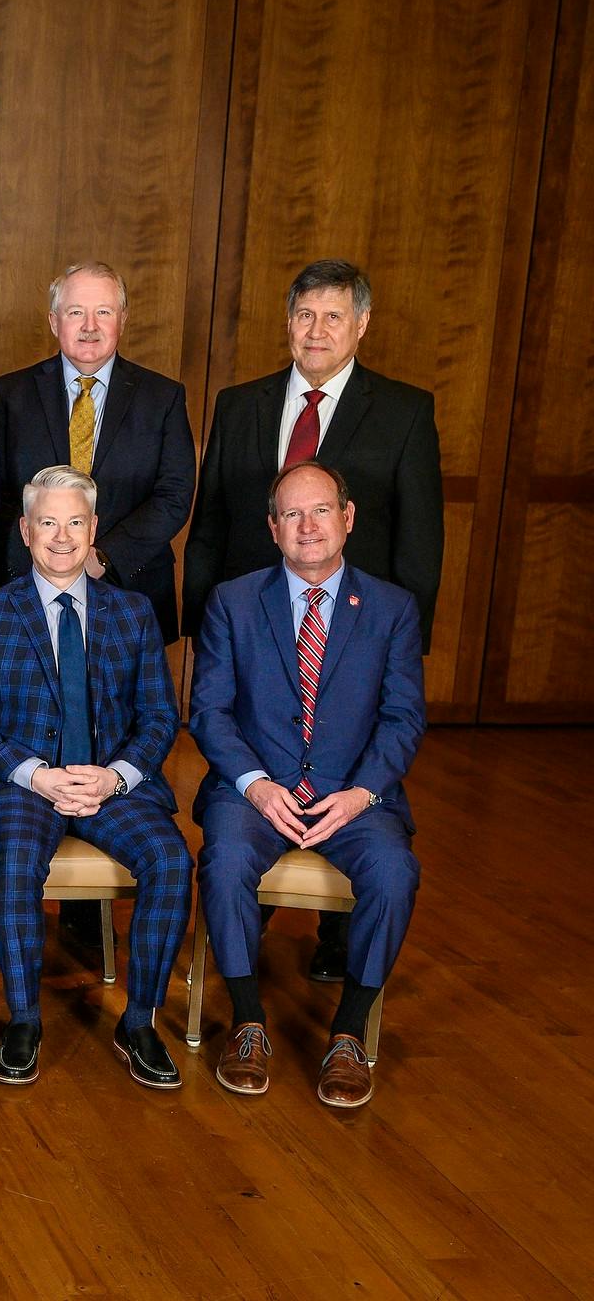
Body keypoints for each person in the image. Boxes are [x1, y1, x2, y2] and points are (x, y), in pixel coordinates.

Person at [183, 259, 441, 982]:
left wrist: (404, 649)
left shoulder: (403, 410)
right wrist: (202, 624)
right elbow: (209, 525)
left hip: (357, 634)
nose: (317, 329)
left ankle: (337, 933)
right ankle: (247, 918)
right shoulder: (242, 405)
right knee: (246, 804)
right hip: (252, 628)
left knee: (345, 778)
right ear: (287, 322)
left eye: (334, 316)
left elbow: (420, 544)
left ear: (361, 324)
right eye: (305, 315)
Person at [189, 460, 424, 1109]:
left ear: (347, 518)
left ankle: (348, 1032)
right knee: (227, 858)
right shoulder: (233, 602)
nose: (308, 526)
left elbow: (403, 718)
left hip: (354, 795)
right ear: (272, 528)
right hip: (257, 792)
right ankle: (247, 1020)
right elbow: (209, 710)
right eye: (292, 514)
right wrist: (257, 785)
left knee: (394, 873)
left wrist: (362, 793)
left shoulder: (391, 608)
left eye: (321, 510)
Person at [0, 466, 193, 1089]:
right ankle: (25, 1020)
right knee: (14, 860)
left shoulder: (133, 613)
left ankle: (138, 1021)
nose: (62, 537)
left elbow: (159, 716)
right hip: (23, 783)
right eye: (48, 523)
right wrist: (36, 776)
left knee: (170, 860)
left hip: (108, 781)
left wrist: (115, 777)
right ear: (27, 532)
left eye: (76, 523)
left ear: (93, 532)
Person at [0, 262, 195, 953]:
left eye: (103, 313)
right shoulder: (11, 395)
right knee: (41, 724)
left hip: (126, 592)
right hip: (31, 601)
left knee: (117, 721)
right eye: (76, 312)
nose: (89, 326)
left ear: (123, 320)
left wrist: (100, 562)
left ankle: (88, 902)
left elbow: (172, 495)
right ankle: (57, 858)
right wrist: (52, 565)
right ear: (54, 321)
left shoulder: (161, 397)